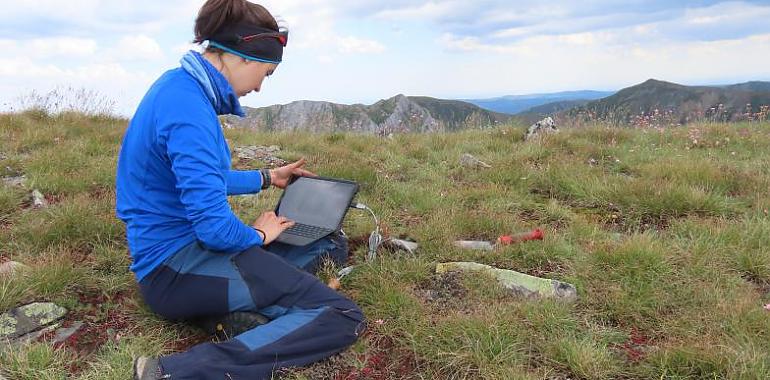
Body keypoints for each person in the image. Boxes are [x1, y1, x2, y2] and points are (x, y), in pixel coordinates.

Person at [115, 0, 365, 378]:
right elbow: (214, 229)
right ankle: (172, 372)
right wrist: (257, 234)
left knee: (326, 243)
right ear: (241, 57)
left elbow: (196, 180)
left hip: (177, 260)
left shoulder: (177, 87)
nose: (261, 87)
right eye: (266, 72)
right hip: (175, 269)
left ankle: (234, 317)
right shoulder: (188, 110)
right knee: (341, 314)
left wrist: (267, 177)